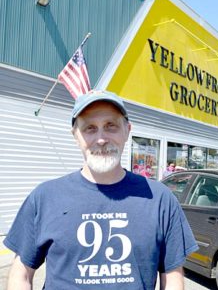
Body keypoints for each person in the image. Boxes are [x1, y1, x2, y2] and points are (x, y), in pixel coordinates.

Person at [4, 89, 198, 290]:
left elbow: (172, 277)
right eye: (90, 128)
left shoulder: (160, 199)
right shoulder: (45, 197)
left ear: (127, 130)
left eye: (110, 126)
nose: (101, 139)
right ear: (75, 136)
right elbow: (21, 275)